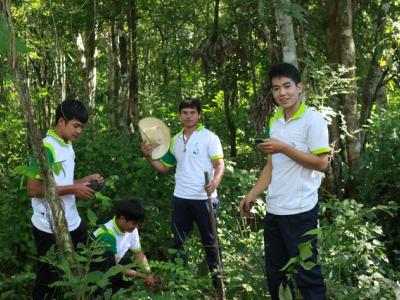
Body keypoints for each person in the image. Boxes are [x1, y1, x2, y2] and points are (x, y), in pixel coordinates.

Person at [240, 63, 330, 300]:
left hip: (301, 212)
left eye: (287, 86)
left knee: (307, 274)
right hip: (275, 210)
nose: (282, 93)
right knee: (276, 275)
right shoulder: (275, 121)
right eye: (276, 88)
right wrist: (252, 194)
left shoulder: (314, 121)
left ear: (299, 87)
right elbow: (271, 166)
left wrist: (284, 148)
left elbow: (322, 163)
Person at [141, 98, 225, 285]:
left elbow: (219, 164)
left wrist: (214, 182)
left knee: (211, 242)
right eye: (185, 112)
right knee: (179, 242)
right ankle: (180, 283)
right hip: (181, 197)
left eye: (192, 112)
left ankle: (219, 285)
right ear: (180, 115)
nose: (188, 116)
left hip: (205, 198)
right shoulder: (175, 140)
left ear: (199, 115)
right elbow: (163, 168)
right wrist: (147, 156)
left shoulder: (210, 137)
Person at [27, 99, 102, 300]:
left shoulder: (67, 145)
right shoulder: (44, 147)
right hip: (48, 225)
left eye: (82, 127)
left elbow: (61, 182)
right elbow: (33, 189)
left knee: (99, 259)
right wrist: (74, 189)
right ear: (61, 121)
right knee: (48, 280)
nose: (79, 131)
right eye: (76, 126)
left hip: (71, 219)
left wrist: (82, 181)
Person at [92, 199, 157, 292]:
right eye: (134, 223)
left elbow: (138, 253)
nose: (136, 227)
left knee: (129, 263)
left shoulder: (131, 229)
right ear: (122, 219)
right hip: (100, 272)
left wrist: (149, 274)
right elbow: (112, 268)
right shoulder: (107, 235)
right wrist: (142, 276)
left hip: (115, 264)